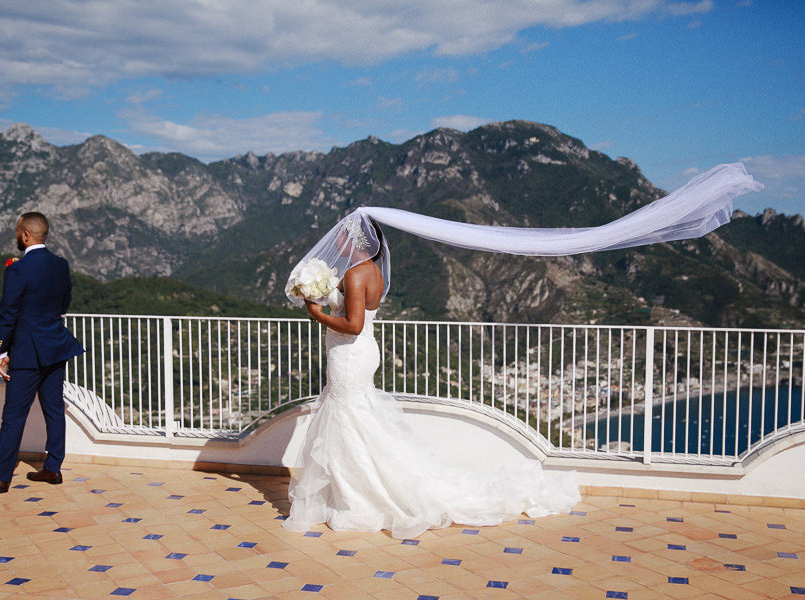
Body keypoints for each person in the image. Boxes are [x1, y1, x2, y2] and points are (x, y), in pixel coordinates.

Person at [282, 163, 763, 538]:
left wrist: (315, 311)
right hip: (364, 353)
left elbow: (351, 321)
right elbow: (365, 316)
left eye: (344, 231)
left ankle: (361, 499)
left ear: (357, 235)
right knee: (357, 422)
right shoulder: (376, 272)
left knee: (351, 420)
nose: (338, 237)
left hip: (350, 350)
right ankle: (358, 496)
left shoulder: (351, 273)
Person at [0, 212, 84, 497]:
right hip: (55, 346)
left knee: (13, 417)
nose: (16, 236)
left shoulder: (18, 269)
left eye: (17, 231)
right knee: (53, 409)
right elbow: (65, 300)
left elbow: (9, 313)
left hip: (26, 353)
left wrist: (0, 350)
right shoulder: (61, 265)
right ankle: (53, 468)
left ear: (25, 235)